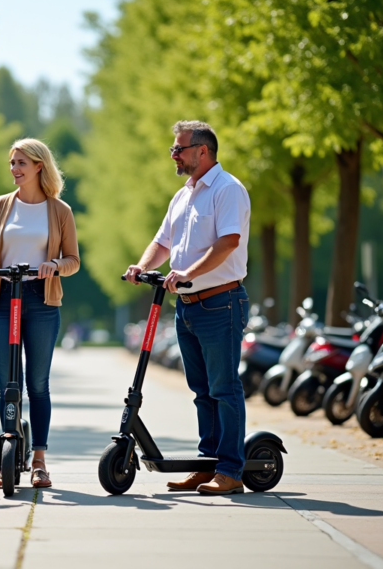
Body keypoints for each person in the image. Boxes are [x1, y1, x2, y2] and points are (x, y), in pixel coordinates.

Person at [124, 120, 251, 495]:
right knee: (201, 391)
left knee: (225, 389)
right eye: (173, 149)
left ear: (202, 151)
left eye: (178, 148)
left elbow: (228, 242)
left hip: (221, 303)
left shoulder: (228, 190)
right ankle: (207, 464)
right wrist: (142, 265)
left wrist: (186, 273)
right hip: (187, 307)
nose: (173, 155)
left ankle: (230, 471)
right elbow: (162, 241)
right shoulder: (183, 195)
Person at [0, 138, 80, 489]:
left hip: (41, 300)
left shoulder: (60, 210)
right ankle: (7, 450)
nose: (14, 169)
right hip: (3, 298)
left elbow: (73, 261)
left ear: (39, 166)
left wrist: (54, 265)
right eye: (12, 163)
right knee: (8, 384)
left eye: (21, 163)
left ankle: (38, 460)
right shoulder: (0, 206)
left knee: (37, 384)